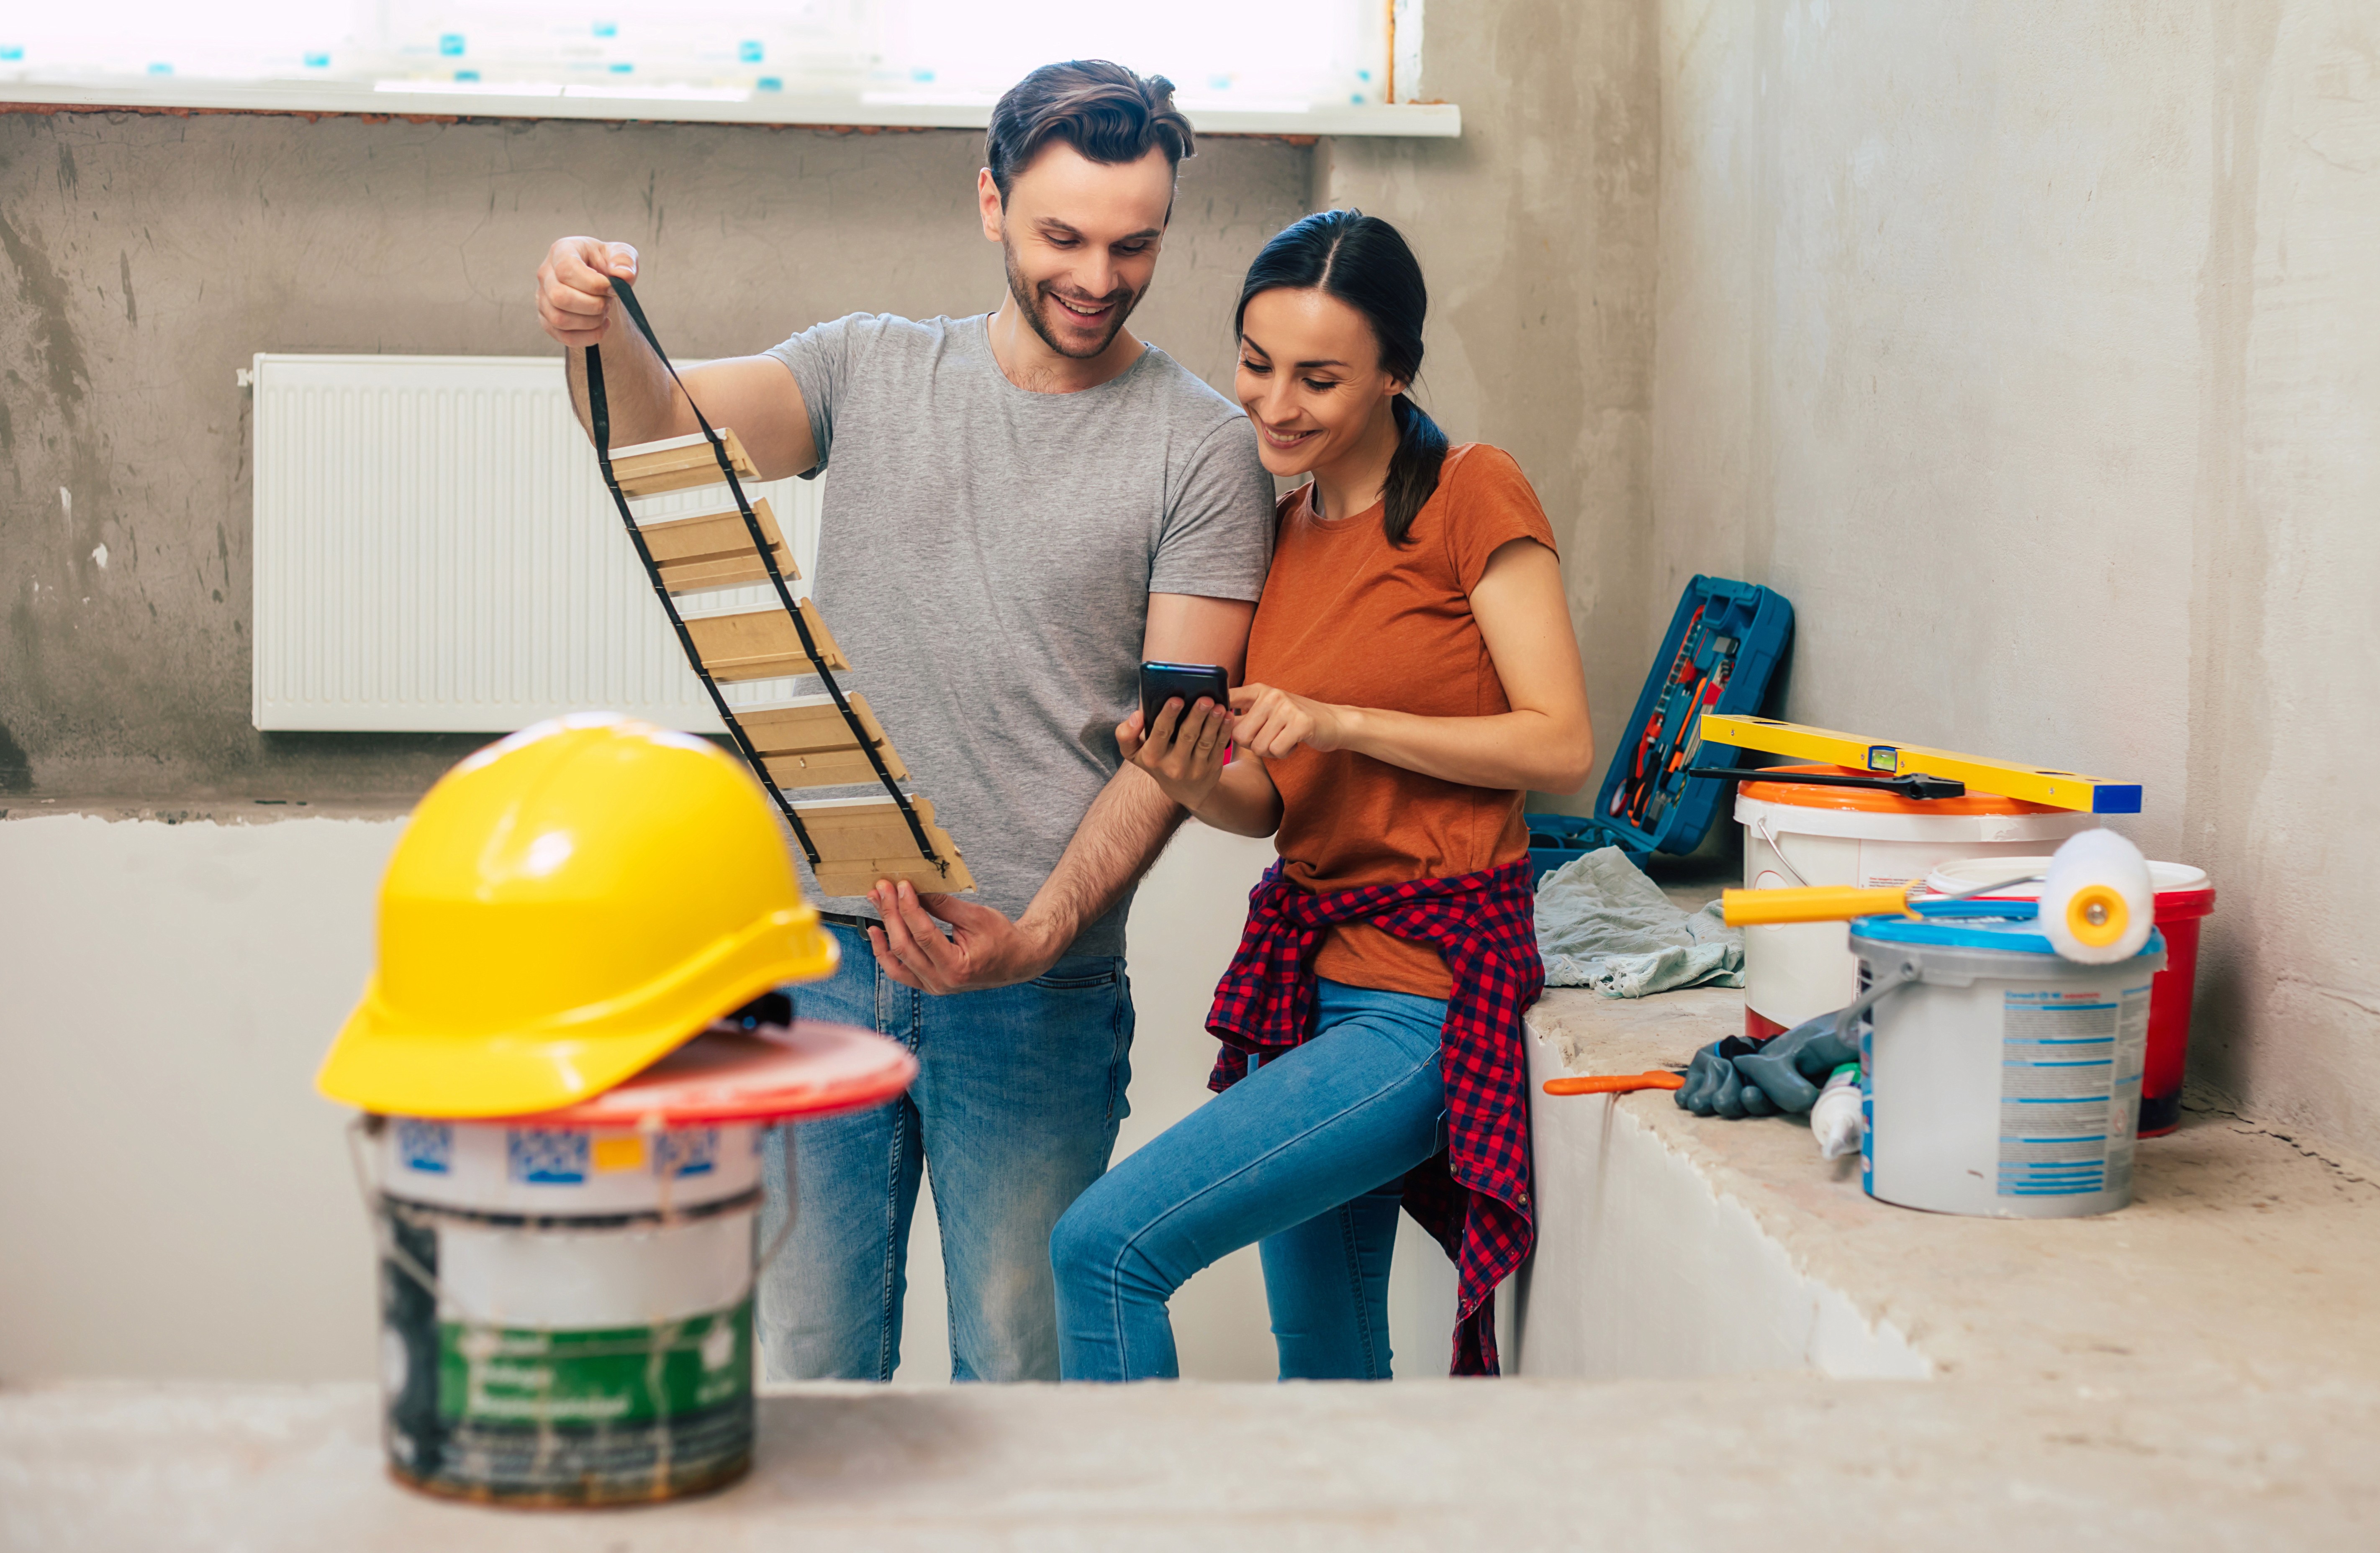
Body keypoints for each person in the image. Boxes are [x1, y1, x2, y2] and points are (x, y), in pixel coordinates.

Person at [531, 61, 1275, 1382]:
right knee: (816, 1374)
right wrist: (597, 327)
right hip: (817, 961)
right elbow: (654, 434)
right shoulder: (867, 366)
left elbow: (1170, 754)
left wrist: (1036, 936)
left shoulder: (1204, 448)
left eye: (1133, 245)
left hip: (1035, 990)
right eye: (1062, 237)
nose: (1097, 277)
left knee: (1021, 1379)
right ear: (991, 204)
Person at [1049, 210, 1593, 1381]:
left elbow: (1559, 746)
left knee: (1104, 1250)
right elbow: (1274, 806)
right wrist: (1197, 779)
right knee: (1327, 1360)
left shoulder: (1470, 491)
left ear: (1395, 372)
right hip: (1309, 983)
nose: (1275, 403)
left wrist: (1343, 721)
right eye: (1256, 364)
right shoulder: (1277, 530)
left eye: (1319, 378)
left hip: (1425, 999)